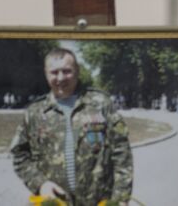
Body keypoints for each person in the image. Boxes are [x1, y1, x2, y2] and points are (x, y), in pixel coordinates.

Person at [10, 47, 133, 206]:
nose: (60, 78)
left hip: (99, 201)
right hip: (53, 203)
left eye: (67, 71)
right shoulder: (34, 112)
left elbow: (122, 153)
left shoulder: (101, 103)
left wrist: (120, 200)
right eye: (54, 72)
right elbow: (19, 155)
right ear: (46, 73)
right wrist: (40, 184)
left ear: (77, 71)